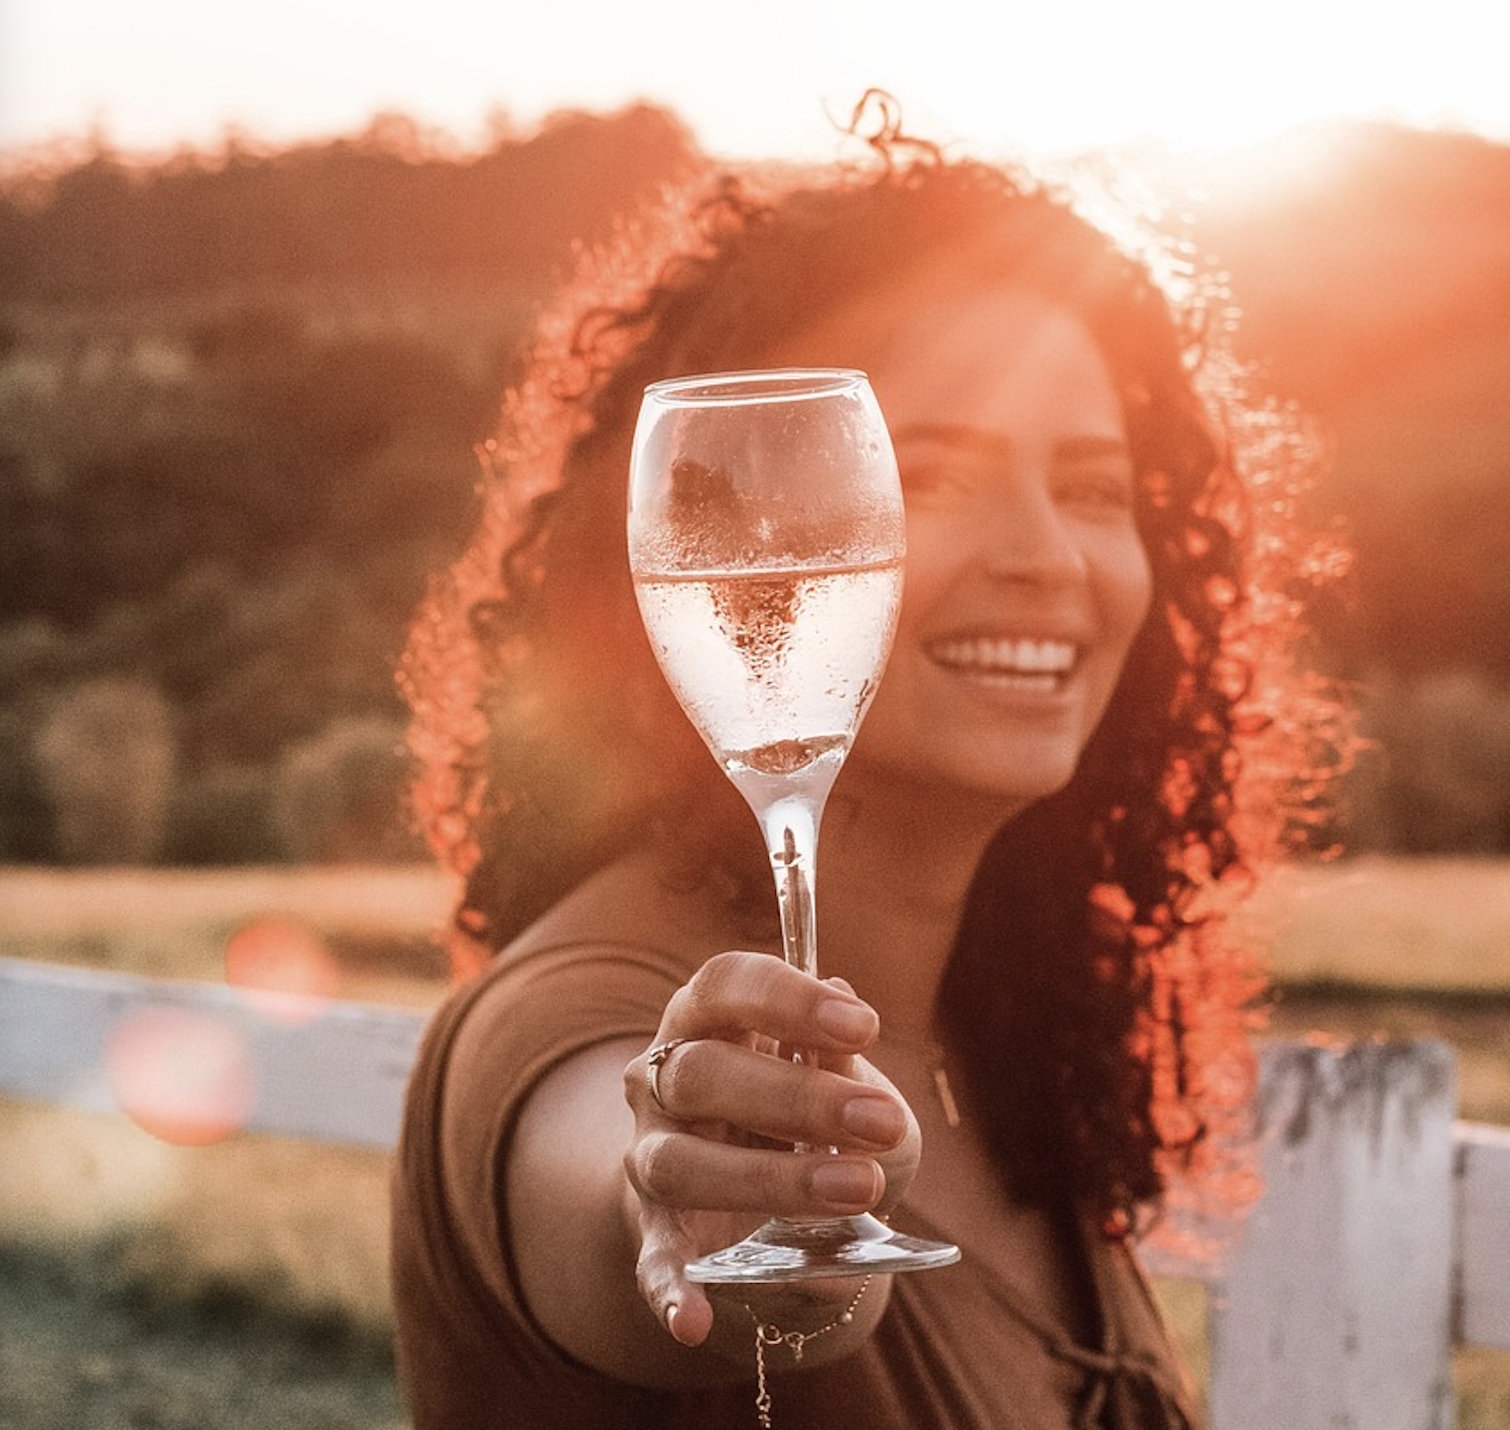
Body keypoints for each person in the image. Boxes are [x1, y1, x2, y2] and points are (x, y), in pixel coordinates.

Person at [388, 95, 1342, 1430]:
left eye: (1091, 488)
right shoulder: (565, 1023)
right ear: (721, 532)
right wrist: (694, 1212)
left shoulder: (995, 1045)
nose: (1046, 557)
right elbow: (628, 1195)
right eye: (927, 478)